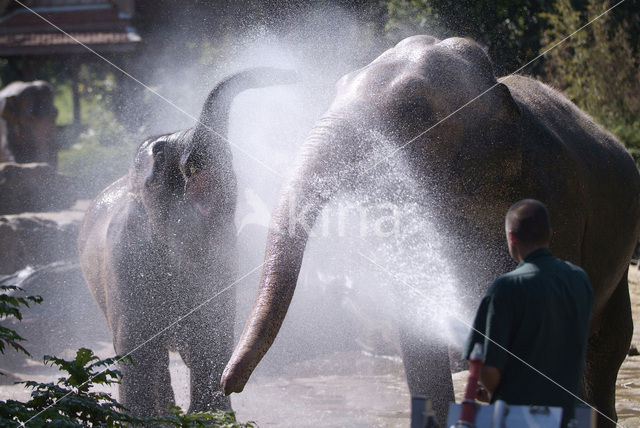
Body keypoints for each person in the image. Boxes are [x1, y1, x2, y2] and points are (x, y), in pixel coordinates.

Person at [462, 199, 593, 426]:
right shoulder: (579, 279)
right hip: (570, 418)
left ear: (511, 237)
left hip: (519, 420)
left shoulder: (506, 288)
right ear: (550, 234)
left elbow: (489, 370)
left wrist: (494, 390)